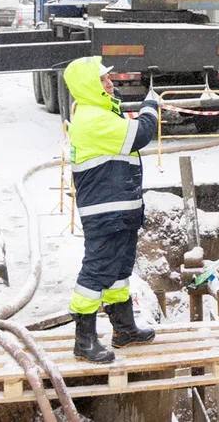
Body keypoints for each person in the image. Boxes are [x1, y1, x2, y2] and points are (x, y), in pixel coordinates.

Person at [63, 56, 161, 363]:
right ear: (90, 86)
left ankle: (124, 329)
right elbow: (140, 135)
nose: (111, 83)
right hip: (106, 214)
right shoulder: (92, 118)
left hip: (120, 212)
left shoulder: (101, 114)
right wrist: (150, 107)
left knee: (119, 272)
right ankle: (84, 340)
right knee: (96, 273)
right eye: (104, 79)